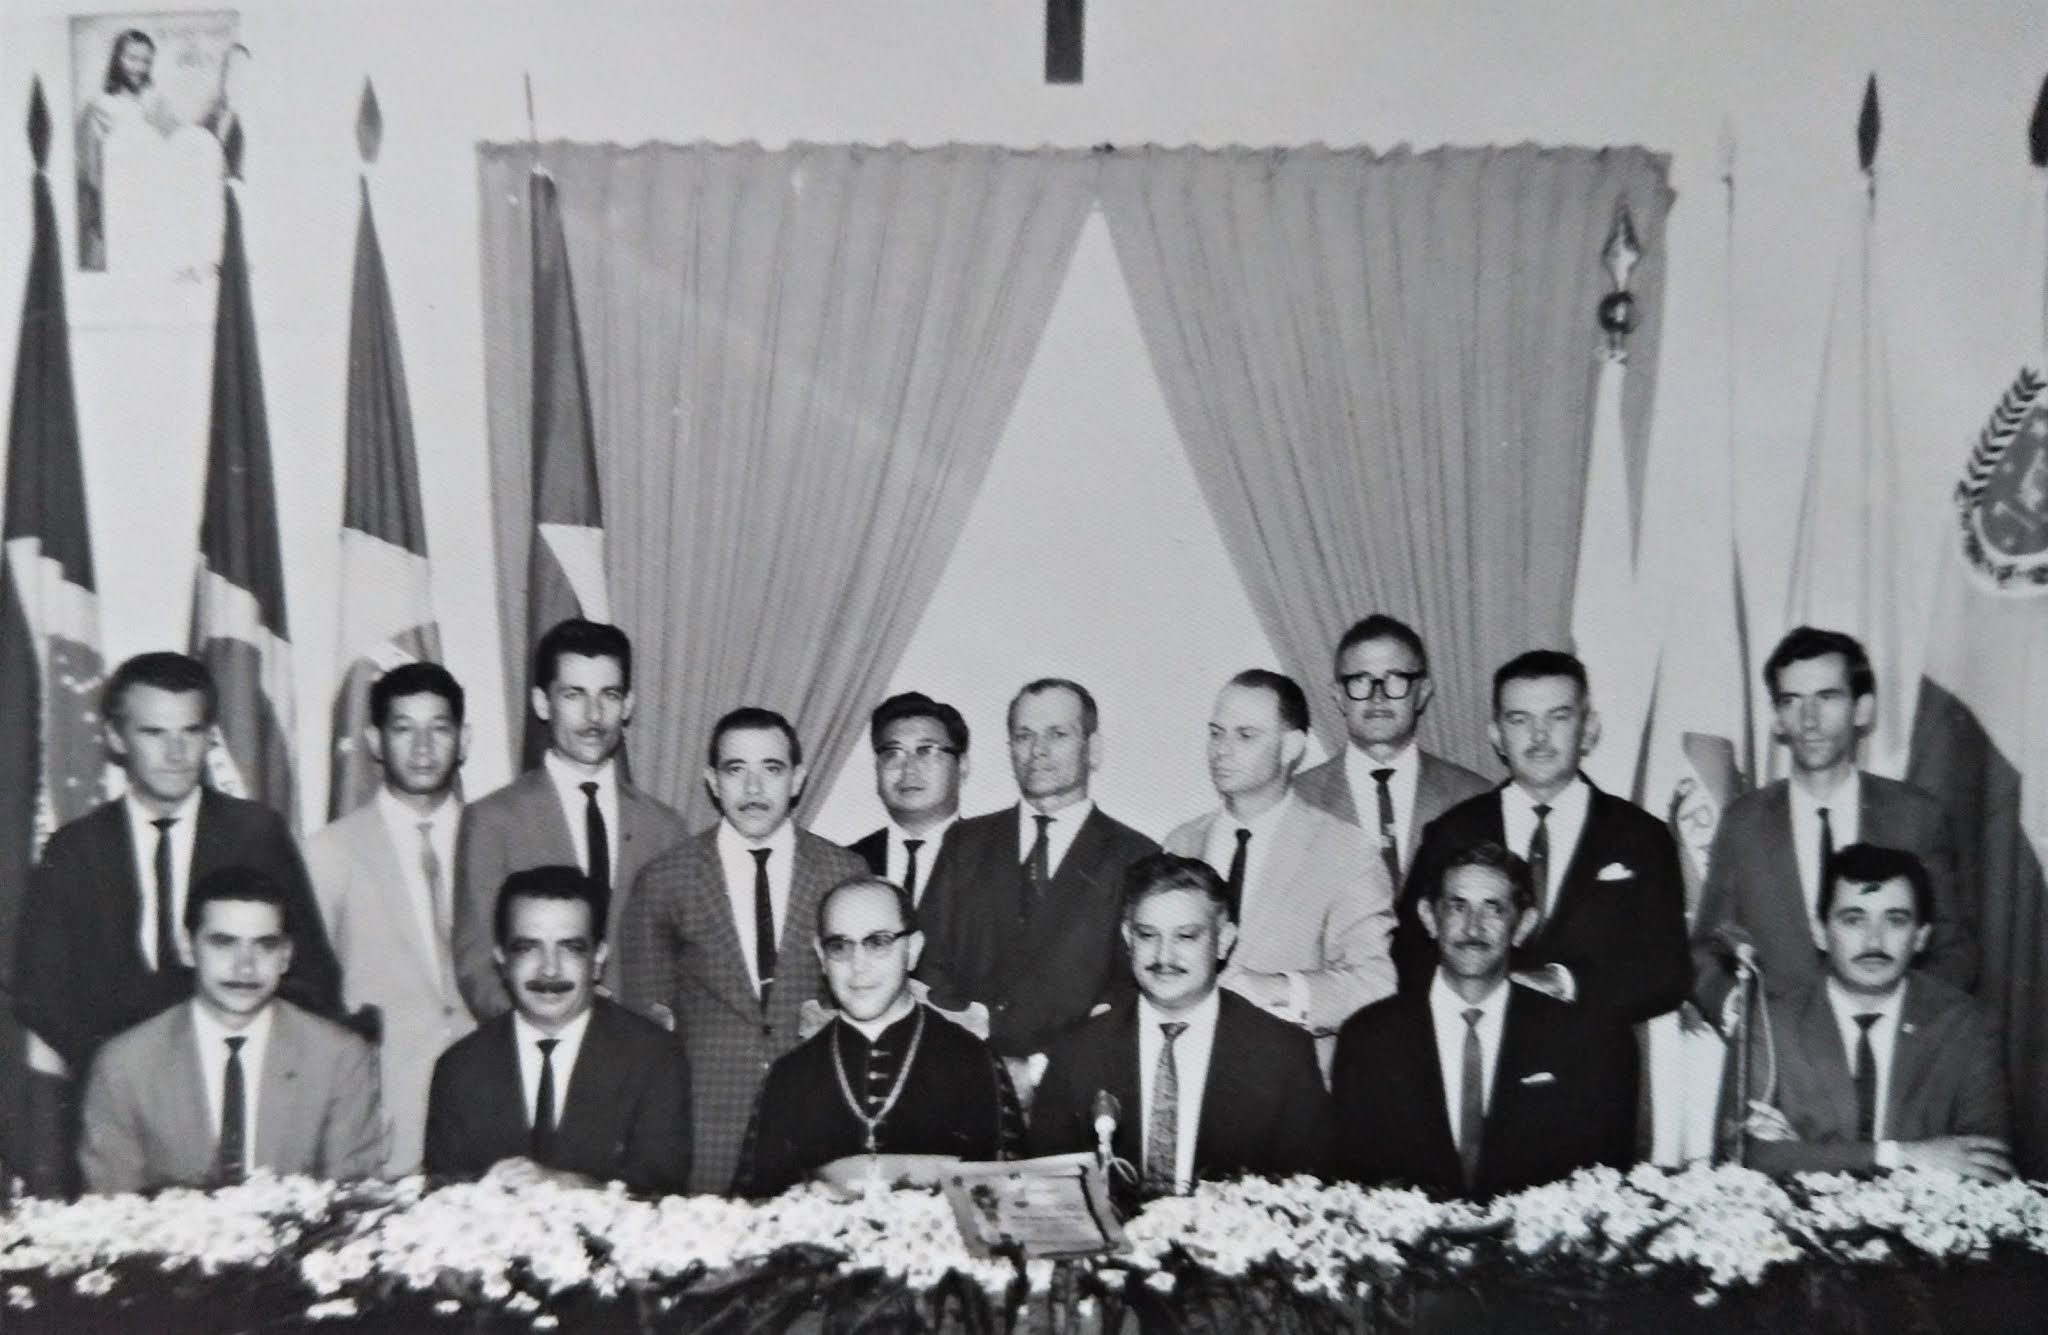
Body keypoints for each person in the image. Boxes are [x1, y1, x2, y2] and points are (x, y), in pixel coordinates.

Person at [14, 653, 341, 1193]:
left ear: (210, 736)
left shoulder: (255, 834)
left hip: (241, 1110)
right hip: (115, 1117)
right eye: (154, 733)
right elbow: (40, 993)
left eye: (191, 732)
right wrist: (129, 1072)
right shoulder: (74, 850)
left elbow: (311, 975)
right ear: (117, 739)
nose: (175, 753)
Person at [616, 708, 867, 1195]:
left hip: (821, 1120)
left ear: (797, 778)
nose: (753, 789)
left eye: (771, 769)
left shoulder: (845, 874)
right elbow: (646, 1028)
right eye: (736, 770)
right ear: (712, 780)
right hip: (705, 1126)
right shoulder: (665, 879)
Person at [1391, 650, 1689, 1025]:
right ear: (1496, 735)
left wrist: (1563, 982)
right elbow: (1409, 954)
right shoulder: (1453, 831)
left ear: (1590, 729)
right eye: (1519, 720)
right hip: (1477, 1061)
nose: (1539, 736)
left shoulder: (1641, 836)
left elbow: (1669, 972)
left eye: (1559, 717)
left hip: (1597, 1064)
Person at [1692, 627, 1971, 1018]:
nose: (1809, 720)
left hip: (1890, 1060)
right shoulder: (1745, 822)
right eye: (1792, 701)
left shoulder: (1915, 817)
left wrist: (1903, 1020)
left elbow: (1952, 948)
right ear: (1776, 719)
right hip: (1778, 1063)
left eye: (1827, 697)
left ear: (1862, 710)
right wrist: (1735, 1008)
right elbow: (1705, 949)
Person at [1332, 843, 1637, 1197]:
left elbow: (1601, 1184)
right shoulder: (1369, 1037)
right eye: (1457, 907)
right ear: (1430, 918)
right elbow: (1353, 1180)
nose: (1473, 928)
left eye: (1493, 909)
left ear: (1522, 926)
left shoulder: (1588, 1041)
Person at [1028, 854, 1334, 1200]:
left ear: (1224, 940)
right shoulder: (1077, 1050)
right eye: (1147, 935)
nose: (1164, 956)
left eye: (1186, 937)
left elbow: (1305, 1191)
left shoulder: (1282, 1053)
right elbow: (1049, 1192)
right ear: (1128, 937)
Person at [78, 866, 385, 1193]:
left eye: (264, 945)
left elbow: (352, 1207)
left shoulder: (338, 1058)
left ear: (285, 956)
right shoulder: (125, 1064)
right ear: (187, 947)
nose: (245, 966)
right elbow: (113, 1212)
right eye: (223, 943)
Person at [917, 680, 1160, 1086]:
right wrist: (973, 1061)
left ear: (1093, 749)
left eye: (1058, 734)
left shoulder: (1136, 857)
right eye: (1023, 736)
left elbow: (1131, 993)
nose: (1038, 750)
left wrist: (1040, 1070)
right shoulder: (965, 843)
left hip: (1076, 1091)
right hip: (964, 1083)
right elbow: (928, 964)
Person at [452, 619, 687, 1020]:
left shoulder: (665, 828)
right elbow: (480, 966)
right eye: (574, 694)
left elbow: (683, 962)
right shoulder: (492, 821)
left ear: (628, 704)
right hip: (537, 1059)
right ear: (543, 703)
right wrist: (549, 1038)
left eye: (609, 695)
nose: (594, 715)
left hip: (640, 1063)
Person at [1161, 670, 1395, 1065]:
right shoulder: (1180, 843)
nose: (1221, 750)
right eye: (1216, 733)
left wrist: (1280, 987)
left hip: (1292, 1087)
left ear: (1292, 746)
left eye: (1245, 735)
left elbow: (1375, 984)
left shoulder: (1346, 850)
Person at [734, 876, 1022, 1197]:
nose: (859, 965)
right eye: (839, 946)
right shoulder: (790, 1074)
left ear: (912, 950)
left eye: (879, 942)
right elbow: (755, 1208)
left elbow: (1013, 1205)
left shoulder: (972, 1060)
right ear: (822, 957)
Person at [1740, 844, 2010, 1181]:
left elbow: (1985, 1164)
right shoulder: (1771, 1022)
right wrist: (1905, 1154)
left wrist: (1811, 1154)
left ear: (1921, 937)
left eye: (1896, 920)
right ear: (1821, 932)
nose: (1874, 940)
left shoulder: (1967, 1026)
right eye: (1853, 919)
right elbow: (1752, 1155)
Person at [424, 867, 692, 1195]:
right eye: (528, 947)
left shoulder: (653, 1057)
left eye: (570, 948)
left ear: (598, 959)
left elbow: (662, 1191)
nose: (549, 968)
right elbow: (442, 1198)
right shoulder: (459, 1068)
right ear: (501, 959)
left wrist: (569, 1186)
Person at [305, 663, 474, 1175]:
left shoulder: (496, 839)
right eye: (404, 729)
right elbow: (313, 1007)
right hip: (383, 1122)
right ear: (376, 741)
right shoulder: (328, 852)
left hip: (492, 1120)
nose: (423, 748)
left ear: (464, 740)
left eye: (439, 729)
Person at [1294, 614, 1491, 889]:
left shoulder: (1475, 798)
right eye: (1361, 680)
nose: (1378, 696)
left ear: (1422, 692)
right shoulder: (1295, 801)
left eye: (1396, 679)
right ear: (1338, 695)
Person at [845, 693, 968, 906]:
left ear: (962, 766)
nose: (909, 769)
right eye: (893, 753)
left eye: (926, 751)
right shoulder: (845, 866)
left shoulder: (999, 861)